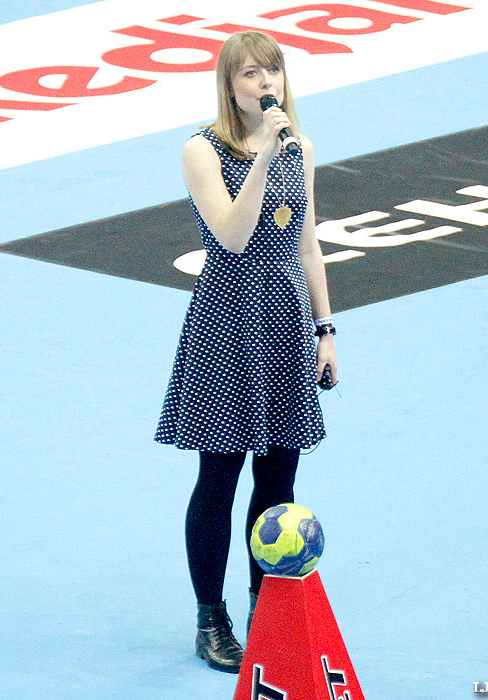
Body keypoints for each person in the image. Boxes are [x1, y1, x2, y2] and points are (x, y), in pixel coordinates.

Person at [154, 31, 338, 674]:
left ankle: (269, 609)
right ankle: (212, 619)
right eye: (252, 74)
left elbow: (306, 245)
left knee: (280, 479)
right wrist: (261, 157)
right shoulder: (201, 149)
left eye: (274, 72)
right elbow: (231, 236)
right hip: (226, 330)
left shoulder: (303, 147)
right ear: (230, 86)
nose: (266, 83)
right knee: (220, 478)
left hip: (288, 327)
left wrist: (326, 328)